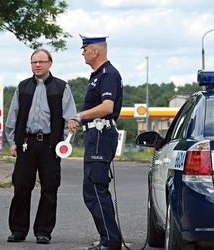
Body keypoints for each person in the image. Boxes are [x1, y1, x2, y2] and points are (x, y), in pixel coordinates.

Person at [5, 48, 77, 244]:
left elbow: (70, 117)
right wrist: (13, 142)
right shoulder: (23, 87)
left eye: (41, 62)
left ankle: (43, 231)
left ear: (49, 64)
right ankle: (18, 230)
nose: (37, 65)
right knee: (21, 187)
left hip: (50, 146)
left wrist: (62, 144)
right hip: (26, 144)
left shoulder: (61, 87)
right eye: (33, 62)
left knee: (49, 188)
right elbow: (13, 115)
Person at [68, 33, 123, 250]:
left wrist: (80, 116)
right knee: (92, 189)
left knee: (95, 189)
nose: (82, 53)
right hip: (95, 134)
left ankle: (110, 240)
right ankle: (109, 238)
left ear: (95, 51)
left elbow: (107, 107)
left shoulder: (107, 74)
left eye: (84, 48)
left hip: (101, 134)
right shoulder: (98, 75)